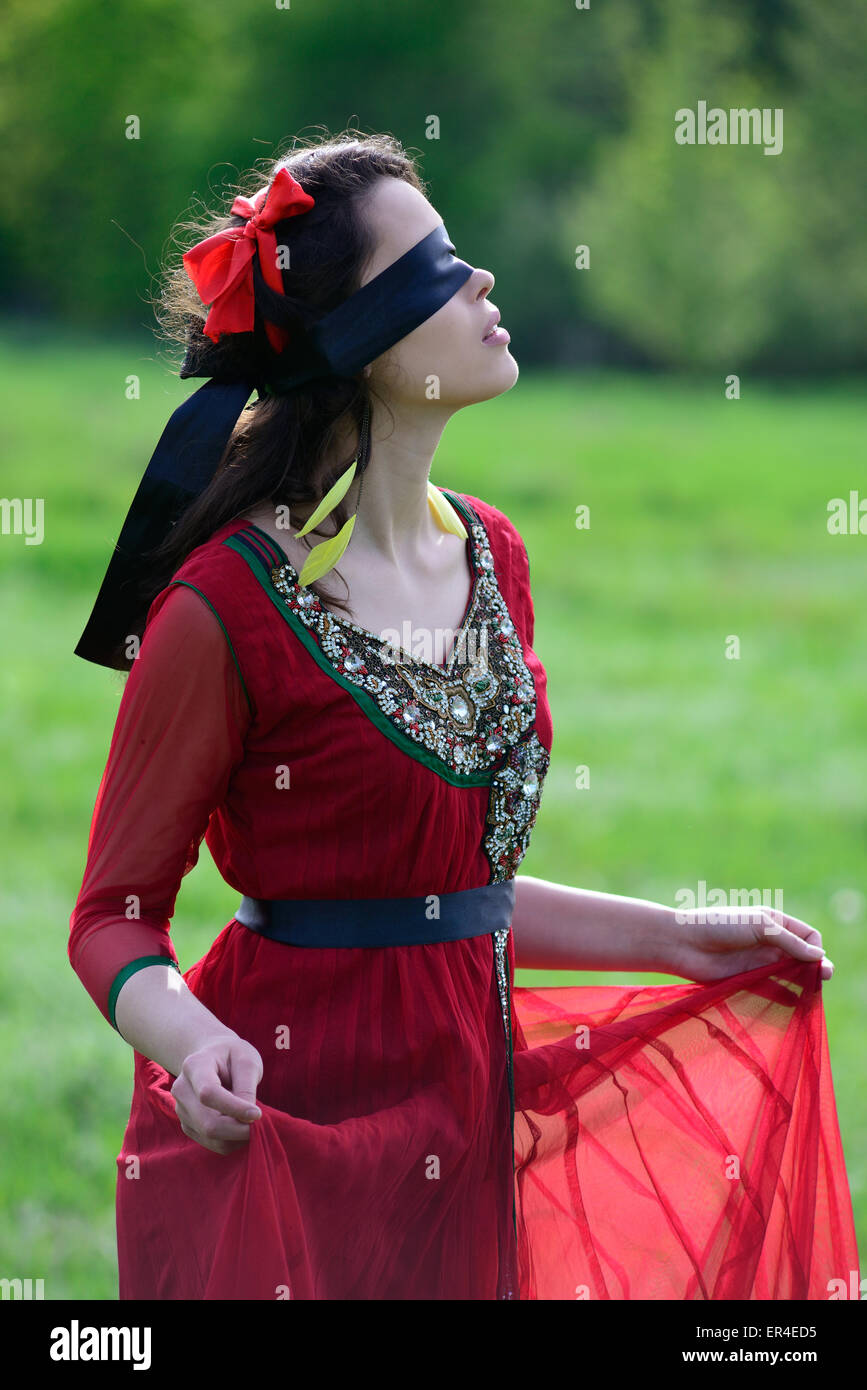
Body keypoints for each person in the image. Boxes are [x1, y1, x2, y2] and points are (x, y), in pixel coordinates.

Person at [69, 131, 858, 1300]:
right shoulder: (223, 607)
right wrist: (191, 1044)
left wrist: (681, 936)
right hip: (289, 1131)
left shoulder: (496, 553)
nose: (482, 282)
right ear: (360, 344)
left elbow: (446, 887)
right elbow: (112, 916)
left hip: (466, 1108)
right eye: (437, 270)